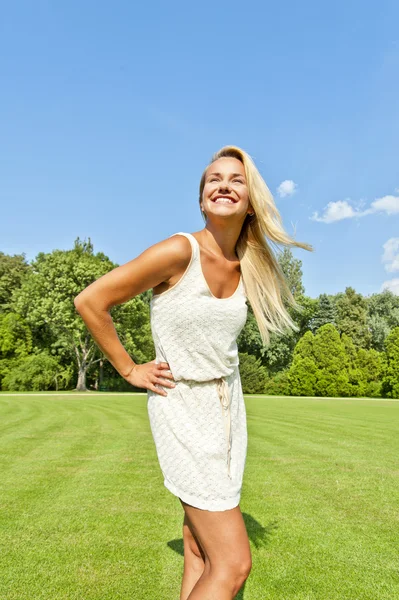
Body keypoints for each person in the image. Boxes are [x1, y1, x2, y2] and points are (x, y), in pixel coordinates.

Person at [74, 145, 313, 599]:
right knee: (234, 563)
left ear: (250, 200)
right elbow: (91, 301)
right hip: (182, 408)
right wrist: (129, 368)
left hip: (227, 410)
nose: (224, 184)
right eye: (213, 179)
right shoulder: (178, 251)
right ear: (202, 198)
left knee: (198, 550)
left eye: (237, 179)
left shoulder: (248, 267)